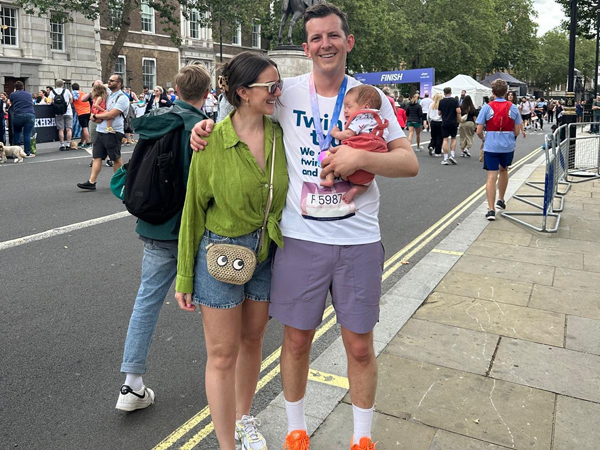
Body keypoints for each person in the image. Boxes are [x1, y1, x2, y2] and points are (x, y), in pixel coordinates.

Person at [191, 4, 418, 449]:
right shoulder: (287, 93)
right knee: (295, 343)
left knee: (358, 347)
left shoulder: (373, 98)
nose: (325, 44)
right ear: (306, 47)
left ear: (348, 42)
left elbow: (408, 162)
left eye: (333, 35)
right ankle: (296, 430)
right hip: (300, 238)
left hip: (358, 240)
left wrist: (361, 158)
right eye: (316, 38)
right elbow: (239, 116)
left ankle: (362, 439)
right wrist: (203, 128)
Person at [175, 52, 287, 450]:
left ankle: (244, 419)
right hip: (222, 254)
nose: (277, 92)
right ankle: (225, 445)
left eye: (279, 84)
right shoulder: (212, 141)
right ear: (242, 92)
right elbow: (192, 211)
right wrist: (184, 276)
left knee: (253, 342)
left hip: (267, 253)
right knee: (221, 355)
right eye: (269, 86)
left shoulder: (281, 134)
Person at [115, 64, 211, 413]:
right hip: (193, 232)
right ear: (206, 92)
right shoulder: (201, 127)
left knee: (146, 303)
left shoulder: (154, 121)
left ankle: (131, 383)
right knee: (214, 306)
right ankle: (220, 375)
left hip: (155, 226)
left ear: (175, 88)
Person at [328, 84, 389, 202]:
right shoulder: (379, 119)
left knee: (329, 158)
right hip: (369, 168)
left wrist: (336, 133)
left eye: (348, 106)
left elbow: (349, 134)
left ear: (366, 106)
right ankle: (356, 189)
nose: (345, 110)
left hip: (358, 149)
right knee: (365, 185)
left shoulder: (362, 117)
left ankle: (329, 179)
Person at [476, 79, 522, 221]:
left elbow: (478, 130)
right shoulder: (513, 107)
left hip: (491, 145)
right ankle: (501, 199)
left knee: (491, 176)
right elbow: (517, 130)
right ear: (507, 92)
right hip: (507, 145)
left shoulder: (487, 107)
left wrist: (484, 139)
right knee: (504, 170)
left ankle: (491, 209)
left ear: (492, 91)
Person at [76, 74, 129, 190]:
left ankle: (119, 182)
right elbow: (87, 98)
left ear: (119, 84)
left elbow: (112, 114)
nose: (109, 82)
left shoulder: (122, 98)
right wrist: (96, 88)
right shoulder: (107, 94)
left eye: (112, 81)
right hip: (101, 130)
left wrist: (94, 116)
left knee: (115, 157)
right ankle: (91, 182)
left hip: (113, 132)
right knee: (97, 156)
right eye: (108, 80)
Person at [9, 81, 36, 157]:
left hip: (18, 114)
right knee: (27, 135)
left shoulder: (13, 94)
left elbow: (10, 103)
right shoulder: (28, 94)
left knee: (17, 133)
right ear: (23, 87)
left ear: (15, 88)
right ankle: (27, 152)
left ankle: (16, 152)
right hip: (30, 114)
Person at [49, 79, 73, 151]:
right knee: (68, 129)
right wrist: (68, 104)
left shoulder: (52, 92)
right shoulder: (67, 91)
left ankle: (62, 145)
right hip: (68, 111)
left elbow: (50, 102)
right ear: (62, 84)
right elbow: (71, 100)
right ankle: (68, 144)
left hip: (58, 112)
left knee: (61, 129)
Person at [438, 86, 461, 165]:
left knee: (445, 139)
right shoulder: (454, 101)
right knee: (453, 138)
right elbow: (458, 111)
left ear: (444, 93)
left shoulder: (441, 101)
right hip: (453, 122)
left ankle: (445, 158)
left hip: (444, 122)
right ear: (451, 92)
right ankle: (452, 155)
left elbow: (439, 113)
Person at [71, 83, 92, 148]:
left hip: (81, 112)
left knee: (84, 128)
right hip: (88, 111)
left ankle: (88, 143)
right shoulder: (82, 93)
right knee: (84, 127)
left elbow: (71, 101)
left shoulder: (73, 94)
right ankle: (82, 142)